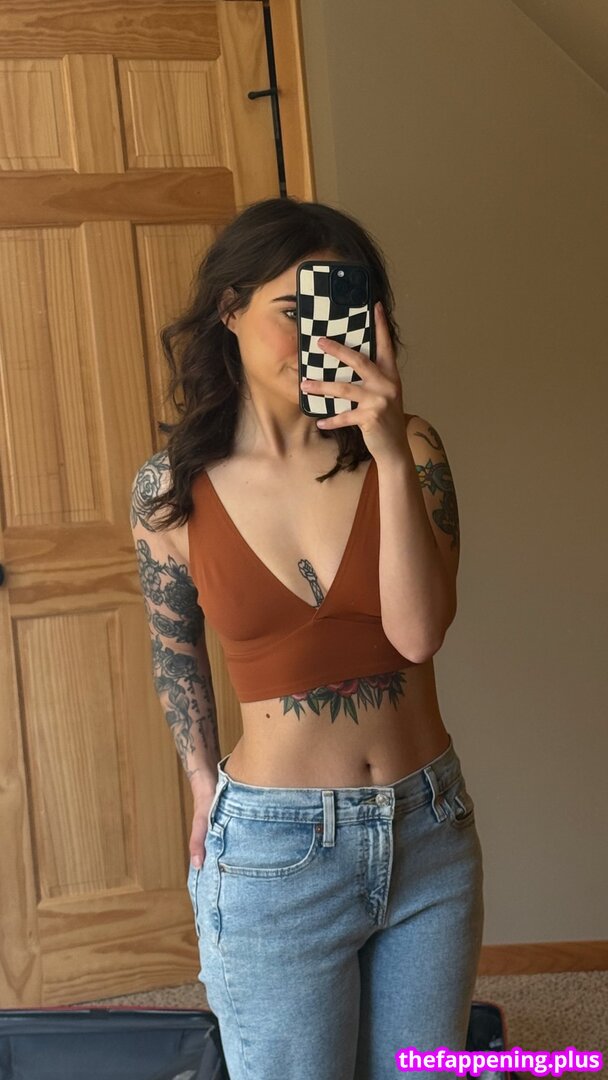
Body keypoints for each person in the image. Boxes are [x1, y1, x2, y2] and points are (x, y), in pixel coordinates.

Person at [130, 197, 484, 1080]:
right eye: (294, 311)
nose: (319, 336)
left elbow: (417, 634)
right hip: (274, 851)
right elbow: (174, 649)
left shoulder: (413, 450)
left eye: (339, 311)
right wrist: (201, 780)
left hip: (427, 832)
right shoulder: (170, 490)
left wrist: (386, 449)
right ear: (230, 308)